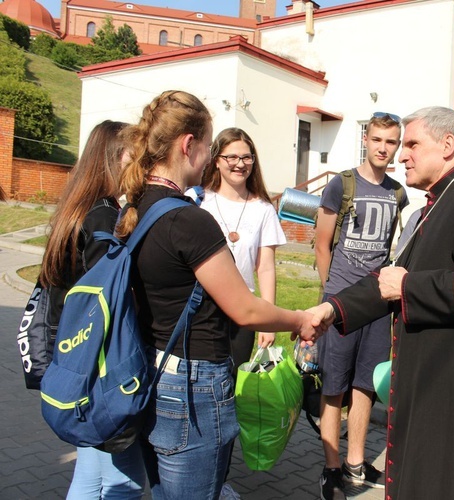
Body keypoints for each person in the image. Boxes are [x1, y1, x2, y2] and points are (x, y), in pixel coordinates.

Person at [116, 90, 319, 499]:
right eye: (210, 147)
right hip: (193, 384)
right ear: (188, 145)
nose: (211, 158)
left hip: (153, 367)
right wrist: (299, 320)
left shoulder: (138, 207)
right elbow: (243, 308)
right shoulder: (191, 219)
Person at [311, 106, 454, 499]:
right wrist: (331, 310)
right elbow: (389, 278)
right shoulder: (437, 202)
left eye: (411, 144)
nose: (401, 154)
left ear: (447, 145)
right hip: (436, 371)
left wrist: (410, 288)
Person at [39, 120, 147, 498]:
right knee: (124, 482)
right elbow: (113, 295)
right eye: (135, 156)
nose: (140, 165)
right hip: (100, 364)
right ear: (117, 157)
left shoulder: (76, 207)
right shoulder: (103, 216)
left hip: (74, 357)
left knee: (90, 469)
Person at [314, 112, 407, 500]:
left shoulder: (398, 193)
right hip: (340, 304)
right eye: (378, 140)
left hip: (377, 304)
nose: (384, 148)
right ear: (366, 140)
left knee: (365, 385)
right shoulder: (342, 184)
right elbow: (321, 244)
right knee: (334, 386)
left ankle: (356, 461)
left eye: (392, 142)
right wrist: (331, 296)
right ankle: (331, 467)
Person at [201, 128, 287, 358]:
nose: (240, 164)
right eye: (231, 157)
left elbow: (266, 267)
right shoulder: (200, 202)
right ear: (216, 161)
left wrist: (268, 320)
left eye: (246, 157)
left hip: (243, 309)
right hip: (203, 308)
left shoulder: (264, 210)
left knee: (231, 378)